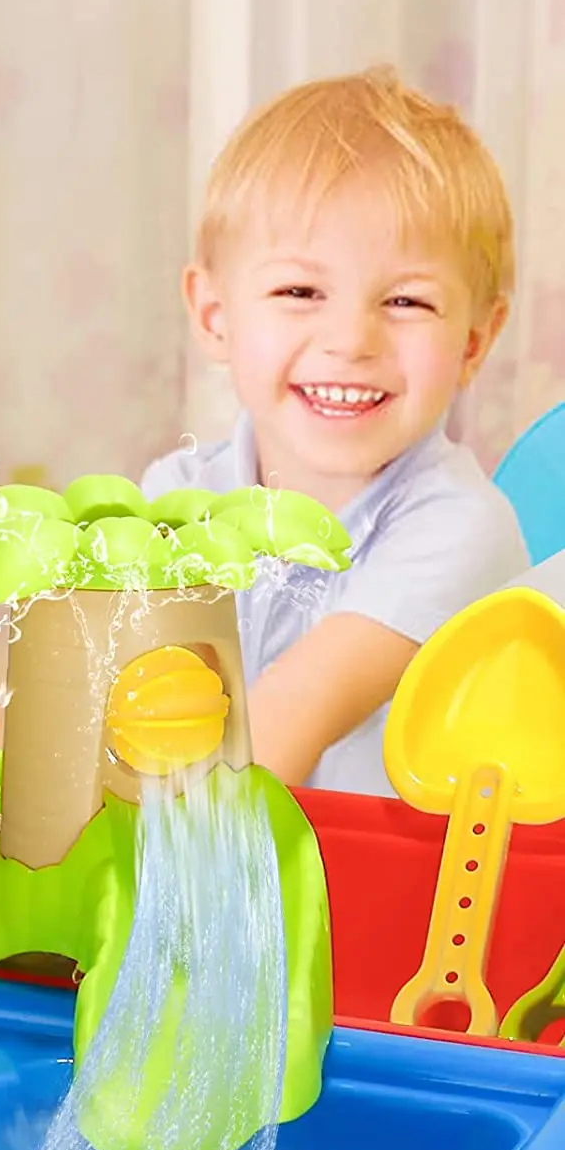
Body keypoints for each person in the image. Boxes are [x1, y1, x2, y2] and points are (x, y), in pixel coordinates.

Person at [142, 67, 529, 796]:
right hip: (253, 876)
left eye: (407, 301)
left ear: (475, 341)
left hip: (410, 902)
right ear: (216, 315)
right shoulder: (177, 498)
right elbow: (141, 718)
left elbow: (290, 718)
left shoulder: (459, 529)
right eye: (300, 291)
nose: (351, 339)